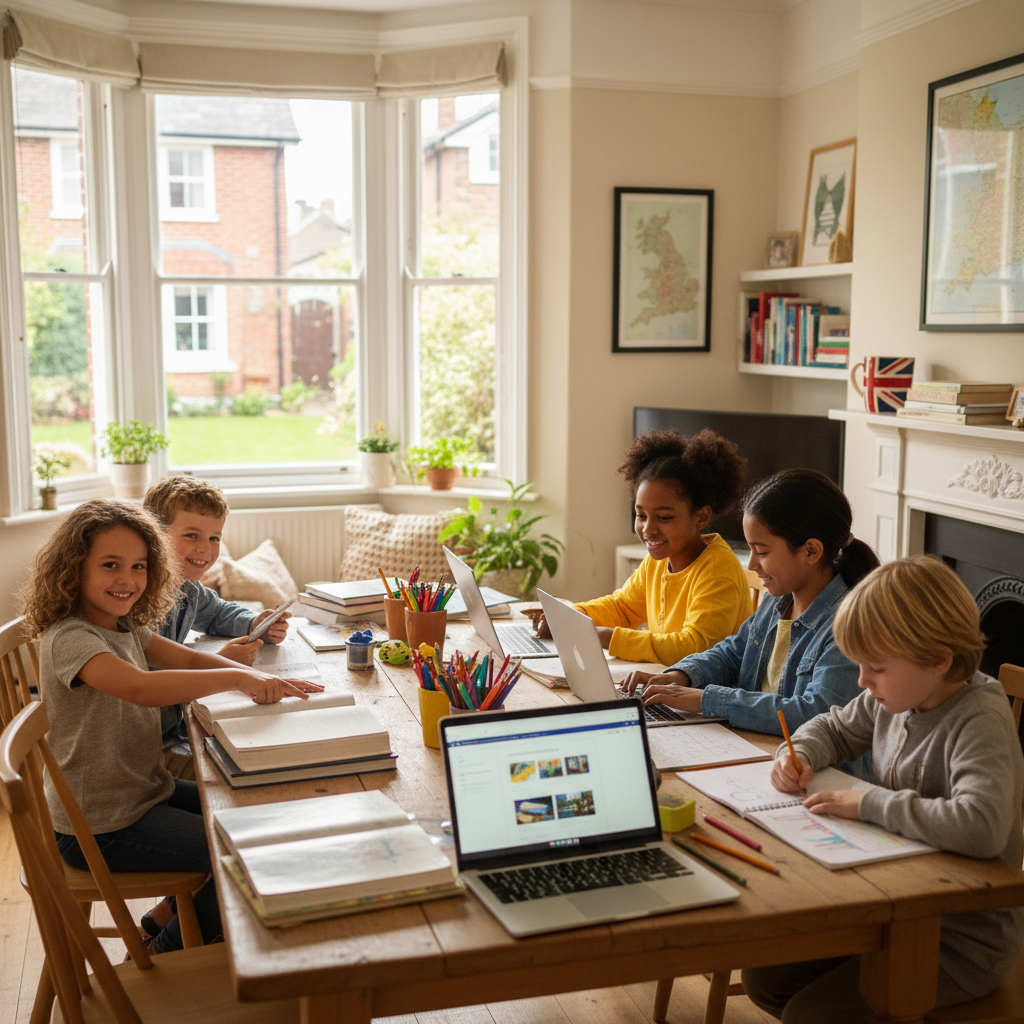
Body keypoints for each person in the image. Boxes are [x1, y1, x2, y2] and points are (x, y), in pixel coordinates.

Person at [22, 498, 323, 953]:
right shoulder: (71, 637)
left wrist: (255, 675)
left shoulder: (121, 625)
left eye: (139, 566)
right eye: (110, 565)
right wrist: (238, 677)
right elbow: (142, 688)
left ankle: (166, 921)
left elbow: (184, 657)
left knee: (247, 810)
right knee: (243, 854)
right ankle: (164, 955)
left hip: (142, 793)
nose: (128, 580)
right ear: (73, 568)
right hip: (101, 827)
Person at [741, 556, 1024, 1023]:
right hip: (890, 906)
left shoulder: (979, 719)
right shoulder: (897, 695)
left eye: (875, 667)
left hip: (959, 941)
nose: (862, 682)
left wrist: (869, 803)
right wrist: (798, 755)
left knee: (810, 1015)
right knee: (765, 979)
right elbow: (832, 727)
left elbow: (982, 826)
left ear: (940, 659)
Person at [625, 469, 879, 775]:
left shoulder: (849, 624)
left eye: (761, 551)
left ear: (811, 551)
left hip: (818, 775)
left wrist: (708, 699)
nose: (751, 565)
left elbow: (815, 714)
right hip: (757, 749)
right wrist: (684, 675)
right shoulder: (779, 596)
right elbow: (736, 650)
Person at [533, 428, 751, 664]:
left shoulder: (718, 572)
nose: (648, 529)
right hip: (668, 683)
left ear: (701, 517)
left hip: (706, 693)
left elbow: (695, 647)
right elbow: (623, 608)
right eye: (641, 515)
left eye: (664, 518)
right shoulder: (659, 561)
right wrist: (569, 617)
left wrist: (607, 637)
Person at [144, 475, 291, 779]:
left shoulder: (187, 589)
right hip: (154, 747)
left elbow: (217, 612)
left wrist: (254, 622)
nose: (205, 549)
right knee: (260, 769)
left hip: (179, 727)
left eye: (214, 538)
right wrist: (222, 666)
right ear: (154, 534)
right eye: (191, 535)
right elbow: (154, 684)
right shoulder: (139, 600)